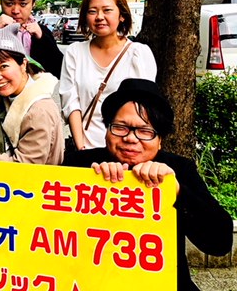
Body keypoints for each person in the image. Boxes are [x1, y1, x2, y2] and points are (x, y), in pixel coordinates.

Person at [63, 78, 233, 291]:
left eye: (145, 131)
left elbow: (220, 243)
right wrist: (91, 183)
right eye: (120, 127)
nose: (130, 138)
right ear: (107, 130)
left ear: (160, 139)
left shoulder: (179, 169)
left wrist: (176, 191)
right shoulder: (79, 164)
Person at [59, 0, 157, 150]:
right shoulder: (75, 52)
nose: (99, 17)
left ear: (122, 16)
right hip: (86, 148)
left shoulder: (139, 53)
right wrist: (81, 147)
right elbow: (70, 103)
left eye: (107, 10)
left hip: (127, 148)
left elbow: (146, 108)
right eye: (92, 11)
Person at [0, 23, 64, 164]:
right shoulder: (6, 97)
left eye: (3, 66)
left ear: (23, 64)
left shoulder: (38, 111)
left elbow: (24, 168)